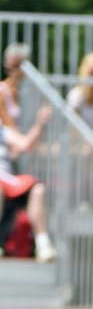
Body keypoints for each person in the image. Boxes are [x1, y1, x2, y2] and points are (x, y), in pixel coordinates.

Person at [0, 43, 56, 261]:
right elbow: (20, 140)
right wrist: (39, 125)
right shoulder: (3, 91)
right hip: (5, 172)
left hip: (11, 168)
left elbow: (20, 143)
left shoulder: (28, 93)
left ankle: (43, 244)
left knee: (38, 189)